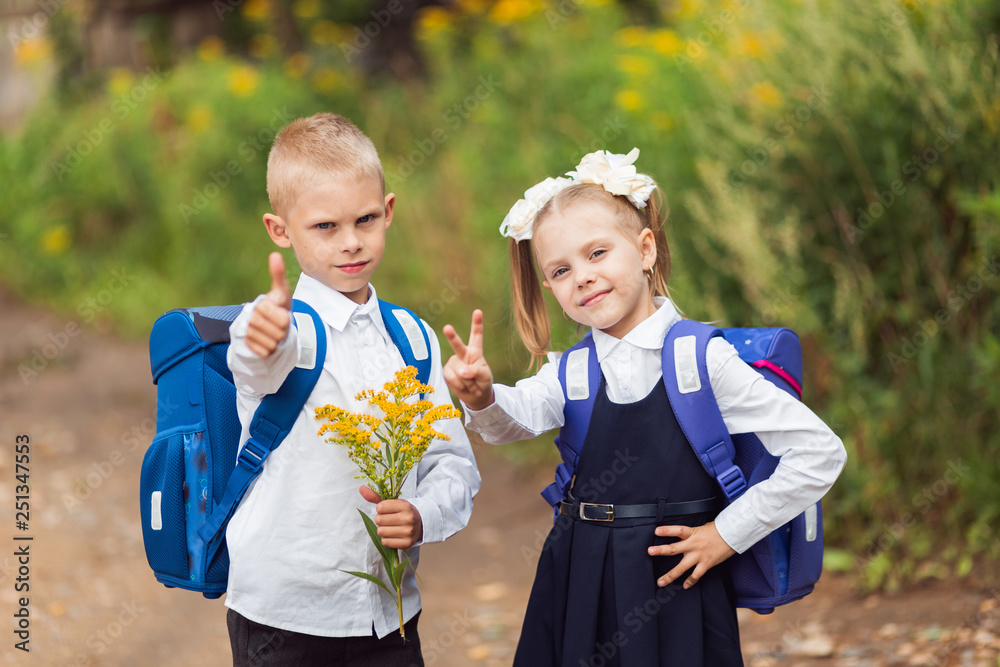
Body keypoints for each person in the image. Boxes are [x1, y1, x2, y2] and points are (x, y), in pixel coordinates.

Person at [442, 148, 846, 666]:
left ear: (645, 248)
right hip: (577, 578)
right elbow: (512, 421)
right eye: (561, 270)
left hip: (676, 583)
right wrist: (483, 396)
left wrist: (727, 534)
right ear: (549, 287)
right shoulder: (572, 370)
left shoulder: (702, 360)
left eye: (597, 253)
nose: (582, 277)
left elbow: (819, 453)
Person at [224, 112, 481, 667]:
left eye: (365, 219)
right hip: (282, 615)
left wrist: (422, 514)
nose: (350, 243)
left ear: (387, 212)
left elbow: (452, 463)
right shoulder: (281, 326)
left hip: (389, 614)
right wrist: (260, 336)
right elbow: (254, 359)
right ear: (280, 230)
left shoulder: (412, 337)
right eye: (325, 227)